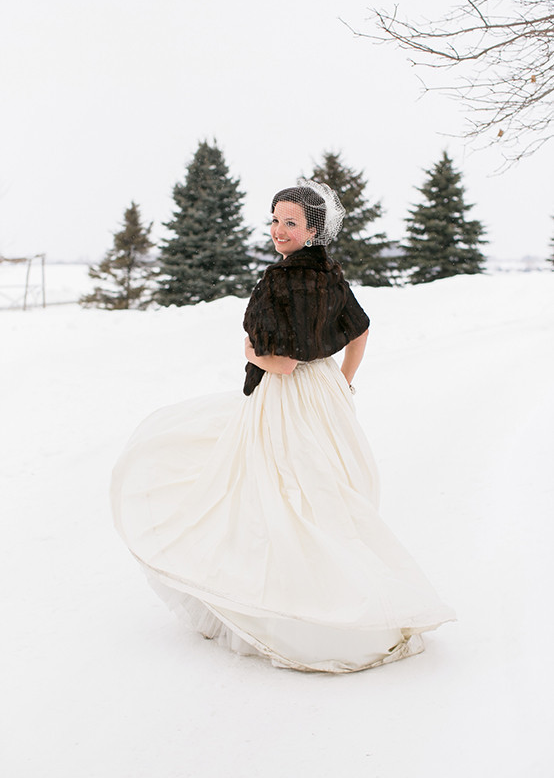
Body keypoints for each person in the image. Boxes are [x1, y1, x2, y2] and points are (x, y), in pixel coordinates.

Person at [110, 179, 455, 673]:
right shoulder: (330, 273)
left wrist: (251, 354)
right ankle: (345, 589)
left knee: (276, 494)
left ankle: (293, 603)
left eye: (290, 222)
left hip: (286, 398)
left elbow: (284, 363)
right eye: (274, 219)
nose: (278, 230)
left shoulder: (279, 281)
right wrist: (343, 382)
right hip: (326, 394)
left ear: (313, 230)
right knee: (324, 492)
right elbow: (360, 331)